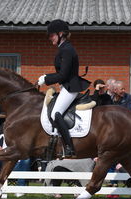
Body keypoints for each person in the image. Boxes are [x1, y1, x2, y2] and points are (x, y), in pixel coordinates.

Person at [37, 19, 90, 157]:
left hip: (70, 87)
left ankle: (69, 147)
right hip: (66, 86)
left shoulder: (67, 49)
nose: (50, 38)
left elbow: (63, 74)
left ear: (61, 34)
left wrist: (46, 78)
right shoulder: (64, 48)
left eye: (52, 35)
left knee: (56, 113)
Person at [0, 125, 30, 197]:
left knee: (26, 160)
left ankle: (20, 188)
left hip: (16, 164)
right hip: (4, 164)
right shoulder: (1, 137)